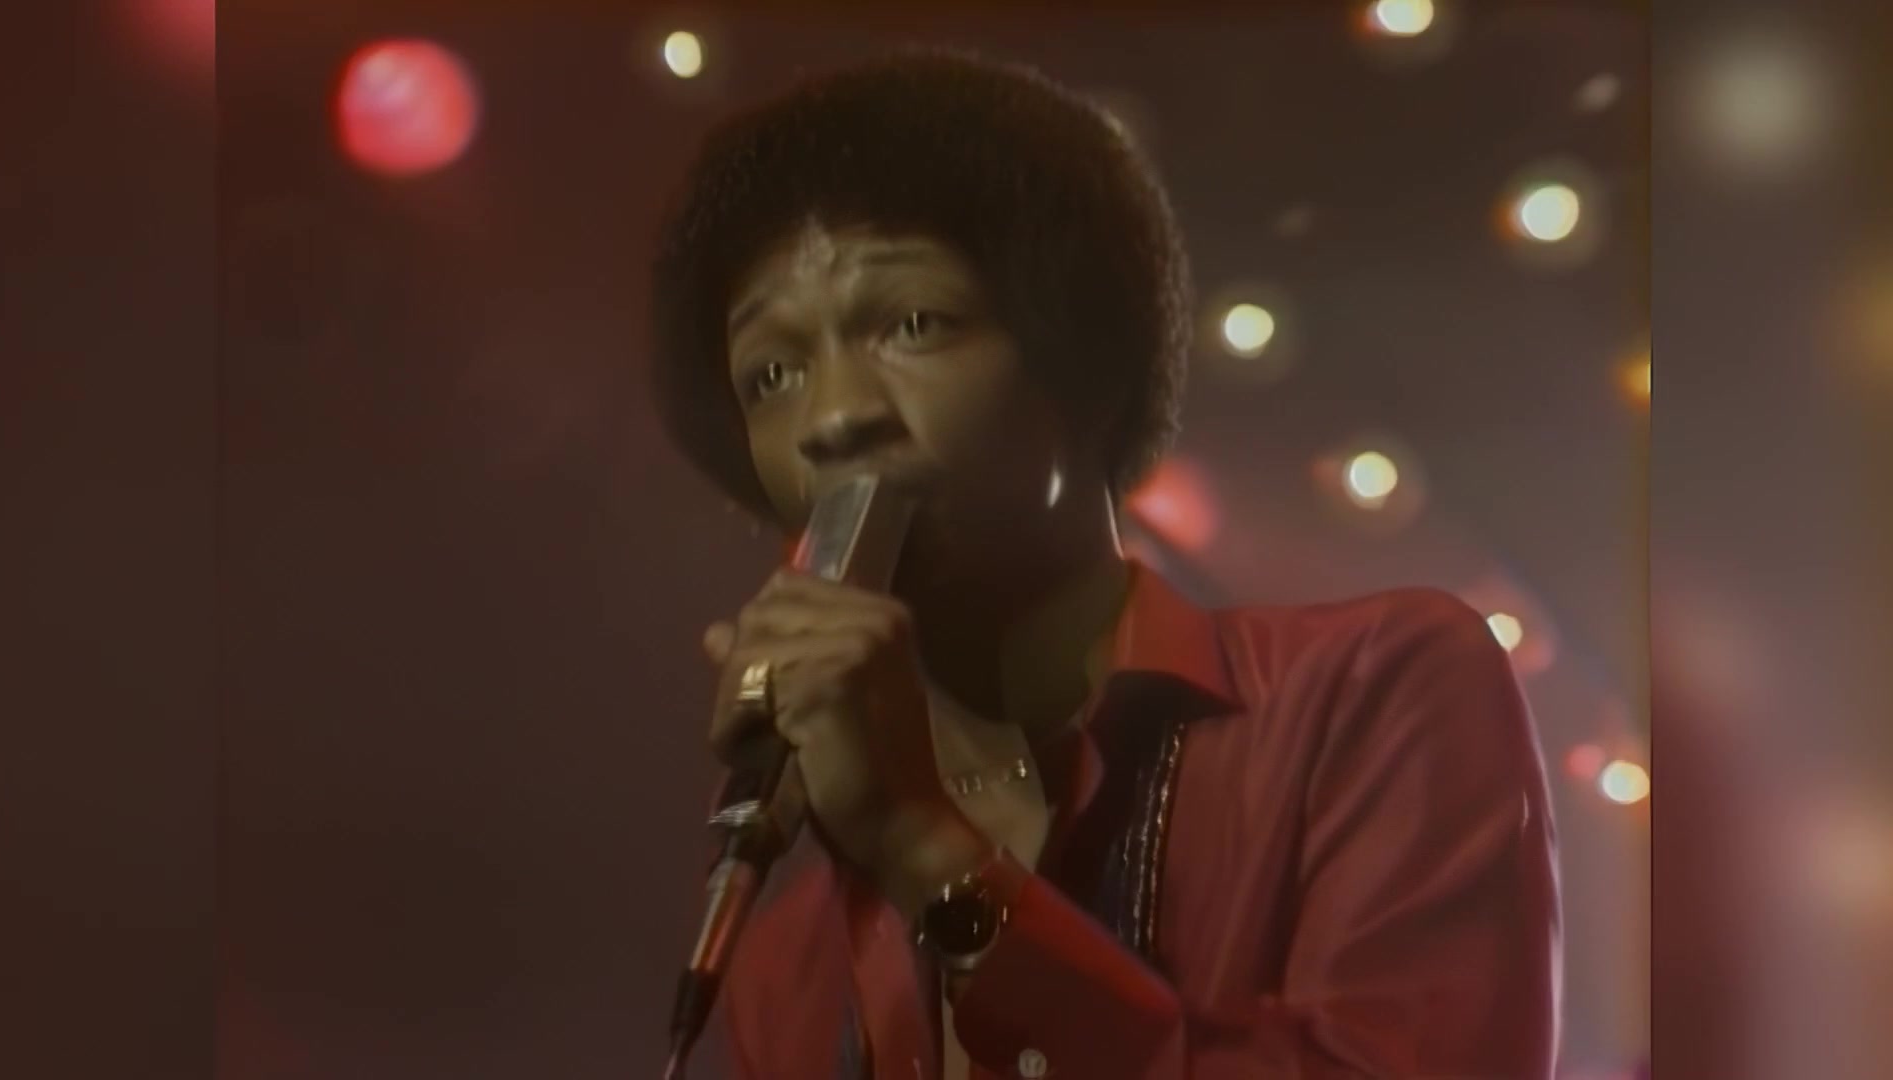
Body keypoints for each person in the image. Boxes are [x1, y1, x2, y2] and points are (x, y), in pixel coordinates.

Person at [648, 50, 1560, 1080]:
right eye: (772, 373)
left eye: (913, 324)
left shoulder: (1370, 692)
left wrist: (924, 850)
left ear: (1085, 365)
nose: (834, 417)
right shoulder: (789, 962)